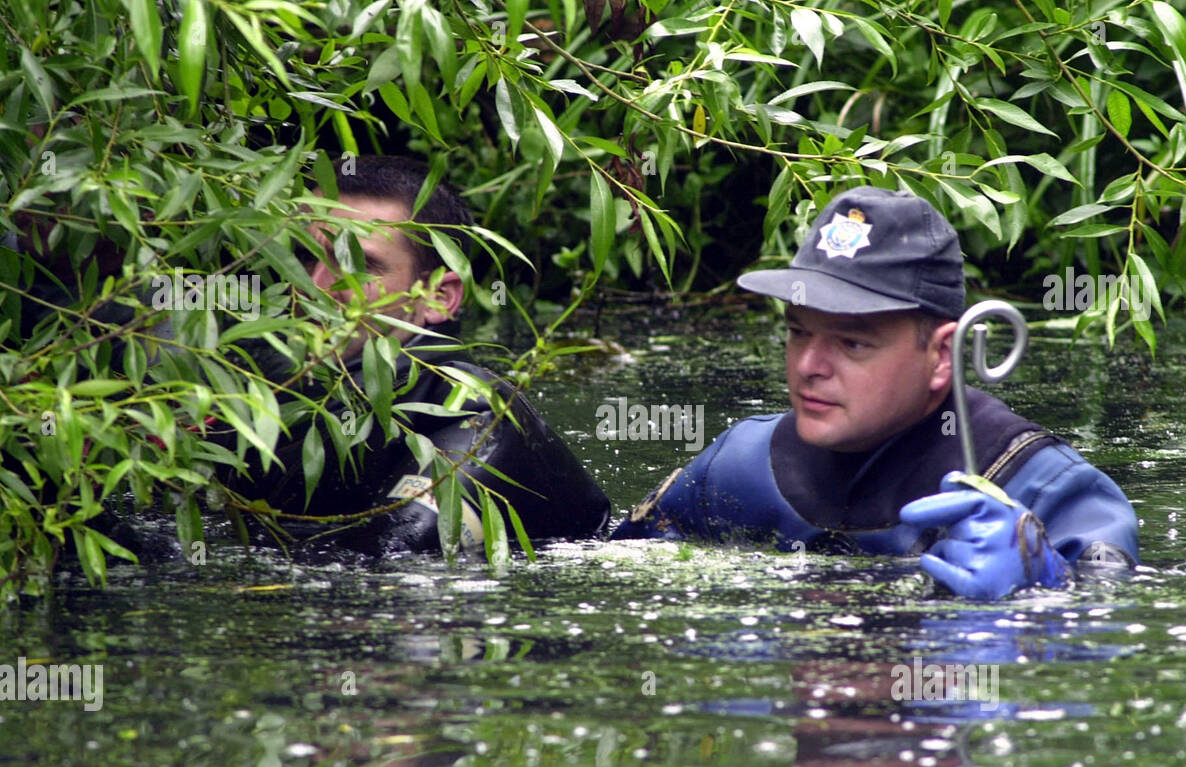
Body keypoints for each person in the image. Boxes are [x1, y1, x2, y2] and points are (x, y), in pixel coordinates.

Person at [611, 186, 1139, 599]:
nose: (809, 367)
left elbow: (1115, 635)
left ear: (939, 355)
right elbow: (606, 562)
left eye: (852, 342)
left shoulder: (1046, 492)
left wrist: (1044, 588)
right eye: (798, 332)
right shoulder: (738, 468)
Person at [218, 154, 610, 554]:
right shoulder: (231, 390)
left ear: (438, 298)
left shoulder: (475, 418)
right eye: (303, 256)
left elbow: (388, 565)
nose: (314, 286)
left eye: (358, 264)